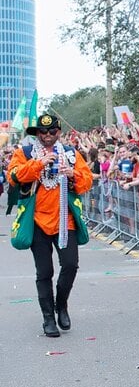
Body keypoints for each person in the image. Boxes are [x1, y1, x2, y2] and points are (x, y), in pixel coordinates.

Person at [7, 113, 94, 337]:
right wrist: (38, 164)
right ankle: (48, 318)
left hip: (66, 221)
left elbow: (87, 181)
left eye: (52, 132)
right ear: (37, 133)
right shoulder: (25, 153)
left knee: (71, 265)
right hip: (37, 222)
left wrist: (72, 173)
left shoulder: (71, 154)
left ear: (58, 133)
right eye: (43, 132)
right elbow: (14, 177)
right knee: (44, 271)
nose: (47, 136)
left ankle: (61, 304)